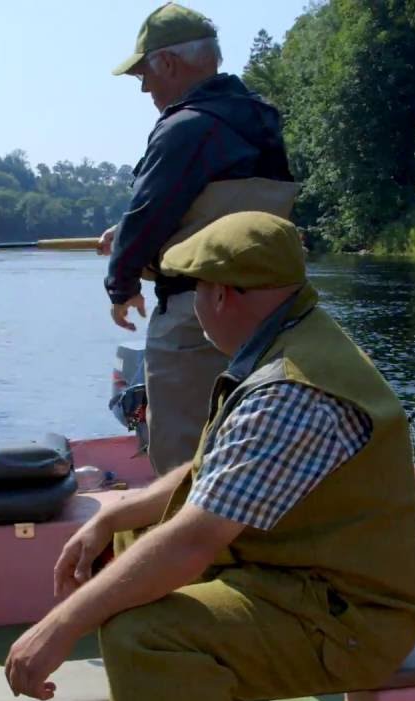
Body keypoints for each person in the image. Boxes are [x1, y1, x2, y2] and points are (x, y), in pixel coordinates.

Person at [6, 212, 415, 701]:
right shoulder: (292, 340)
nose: (196, 304)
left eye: (197, 289)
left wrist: (61, 625)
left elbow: (193, 539)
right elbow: (216, 473)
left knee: (145, 637)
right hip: (301, 579)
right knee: (129, 544)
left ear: (223, 294)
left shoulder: (292, 389)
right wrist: (113, 517)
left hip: (351, 620)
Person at [98, 2, 298, 475]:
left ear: (167, 62)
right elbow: (218, 204)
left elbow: (148, 216)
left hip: (196, 317)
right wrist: (127, 230)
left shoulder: (184, 128)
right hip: (272, 312)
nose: (145, 88)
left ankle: (189, 544)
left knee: (182, 458)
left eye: (144, 74)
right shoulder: (261, 120)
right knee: (255, 445)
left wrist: (121, 287)